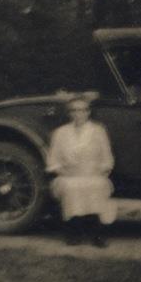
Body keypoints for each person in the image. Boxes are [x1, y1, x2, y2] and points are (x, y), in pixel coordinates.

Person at [46, 96, 116, 247]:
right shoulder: (61, 133)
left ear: (88, 112)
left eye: (82, 110)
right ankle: (74, 232)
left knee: (97, 186)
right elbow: (53, 160)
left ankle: (98, 234)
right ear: (69, 113)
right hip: (69, 175)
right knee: (71, 187)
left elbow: (107, 157)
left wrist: (101, 172)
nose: (79, 114)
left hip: (93, 174)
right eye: (74, 110)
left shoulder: (98, 131)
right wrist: (64, 172)